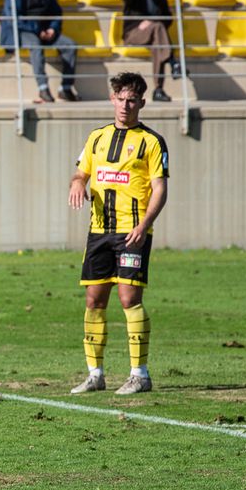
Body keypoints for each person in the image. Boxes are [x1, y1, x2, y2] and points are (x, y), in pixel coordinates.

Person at [67, 71, 168, 396]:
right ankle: (95, 374)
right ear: (113, 99)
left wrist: (144, 224)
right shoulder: (96, 137)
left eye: (132, 100)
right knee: (94, 300)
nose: (125, 105)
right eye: (121, 99)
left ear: (142, 102)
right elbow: (80, 172)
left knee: (128, 298)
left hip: (132, 232)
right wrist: (78, 183)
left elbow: (160, 188)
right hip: (99, 231)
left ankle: (140, 374)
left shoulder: (151, 142)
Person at [1, 0, 77, 103]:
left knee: (70, 45)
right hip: (22, 31)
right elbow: (14, 19)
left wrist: (53, 29)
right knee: (35, 46)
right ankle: (43, 88)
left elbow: (56, 13)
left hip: (45, 32)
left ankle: (65, 88)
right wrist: (38, 30)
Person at [121, 0, 174, 101]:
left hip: (155, 34)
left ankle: (158, 89)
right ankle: (173, 62)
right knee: (158, 28)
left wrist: (150, 21)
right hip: (134, 32)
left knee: (158, 45)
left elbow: (168, 18)